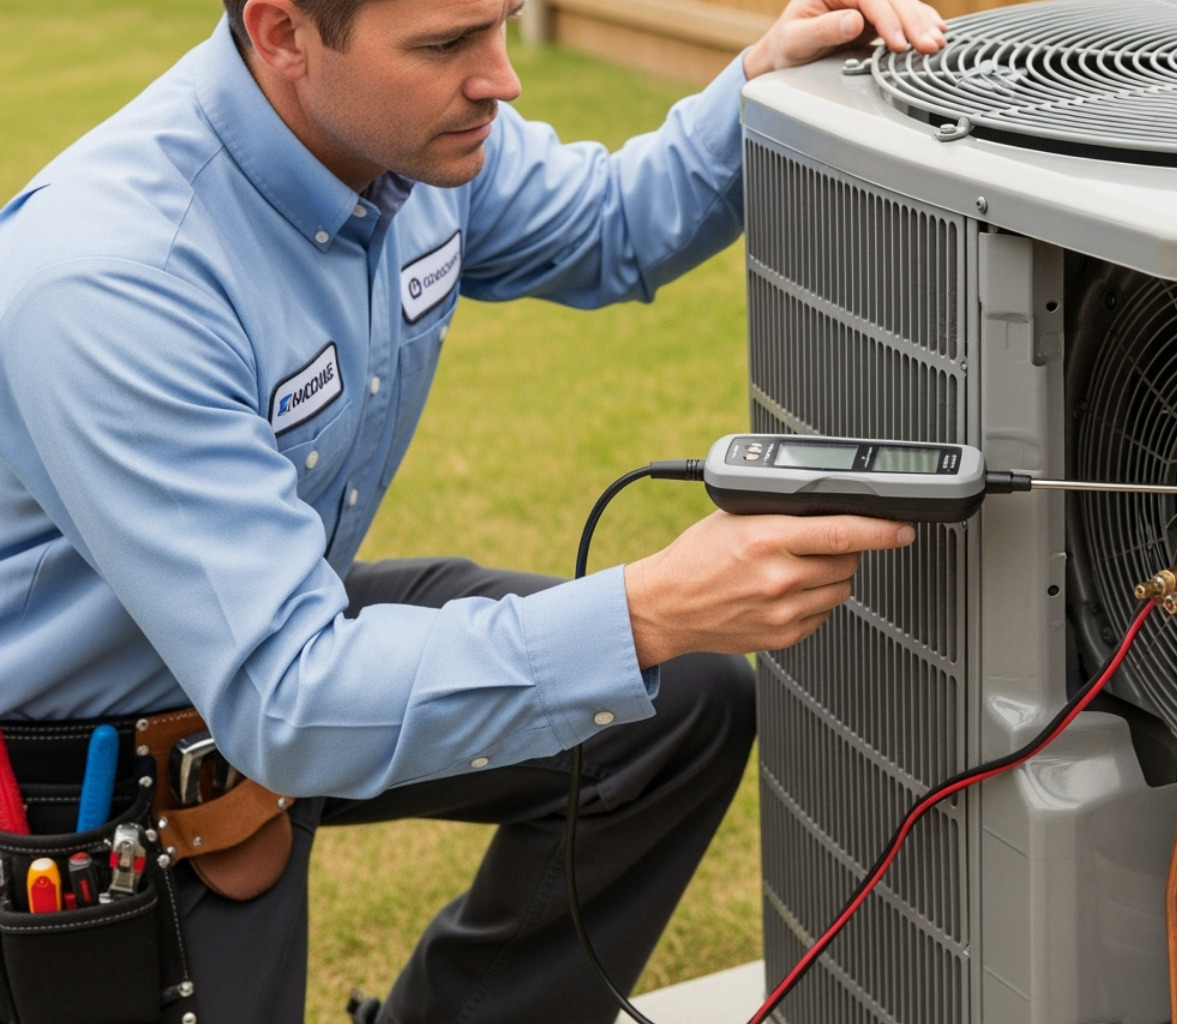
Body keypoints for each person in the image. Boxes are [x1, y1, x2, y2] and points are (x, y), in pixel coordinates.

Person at [0, 1, 945, 1022]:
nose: (502, 76)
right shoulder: (119, 280)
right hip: (85, 764)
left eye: (498, 23)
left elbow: (614, 224)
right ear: (282, 32)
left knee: (673, 713)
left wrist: (765, 76)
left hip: (269, 636)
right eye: (448, 44)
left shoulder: (407, 148)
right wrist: (647, 610)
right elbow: (292, 699)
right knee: (633, 654)